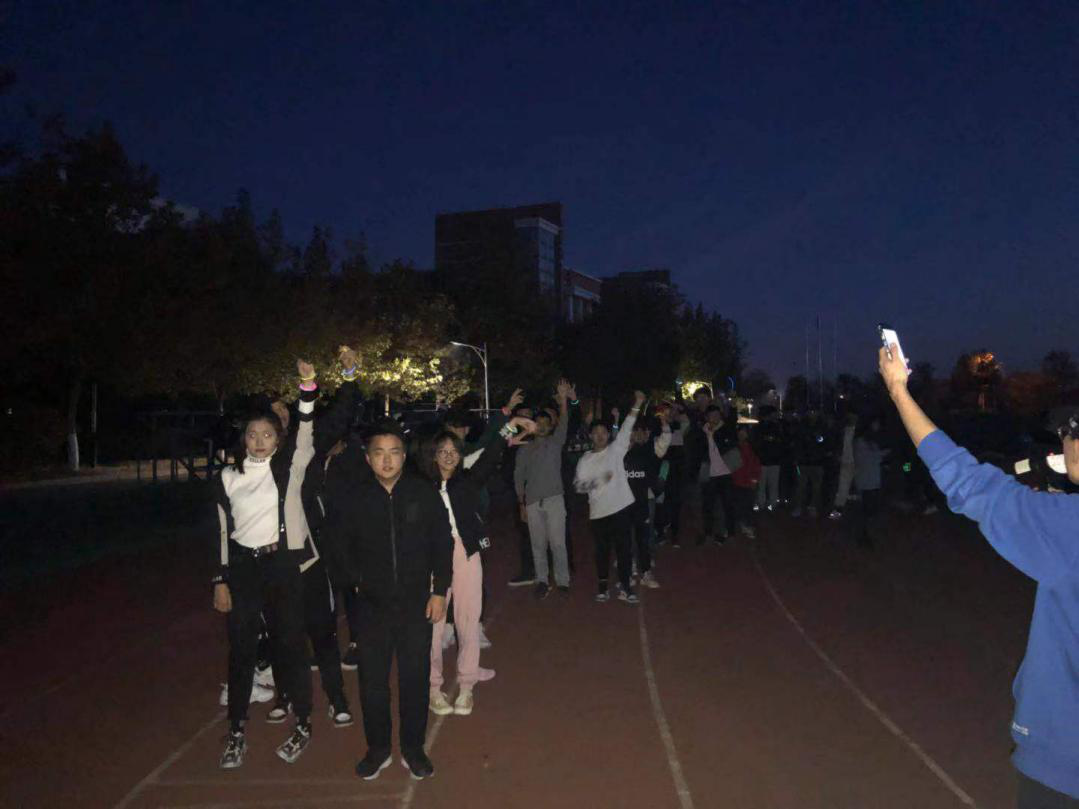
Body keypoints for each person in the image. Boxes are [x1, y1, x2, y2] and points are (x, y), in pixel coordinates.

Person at [880, 344, 1079, 808]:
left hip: (1065, 763)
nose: (1064, 440)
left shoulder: (1066, 527)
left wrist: (899, 391)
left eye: (1069, 432)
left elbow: (967, 481)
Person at [213, 359, 319, 769]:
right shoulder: (227, 476)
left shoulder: (288, 469)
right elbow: (222, 532)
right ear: (243, 438)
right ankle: (236, 730)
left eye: (268, 434)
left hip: (281, 566)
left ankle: (303, 722)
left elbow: (306, 428)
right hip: (243, 568)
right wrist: (220, 580)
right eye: (253, 434)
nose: (259, 441)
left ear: (278, 440)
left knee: (290, 644)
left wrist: (307, 387)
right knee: (240, 650)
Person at [333, 422, 453, 782]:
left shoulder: (422, 492)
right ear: (368, 459)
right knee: (372, 682)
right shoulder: (354, 498)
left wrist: (439, 591)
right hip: (371, 607)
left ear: (404, 456)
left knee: (415, 680)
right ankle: (379, 748)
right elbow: (338, 546)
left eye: (394, 452)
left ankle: (413, 749)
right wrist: (356, 582)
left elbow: (442, 542)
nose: (387, 460)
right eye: (379, 453)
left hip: (416, 604)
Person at [420, 413, 536, 718]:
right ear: (433, 455)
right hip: (432, 558)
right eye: (443, 451)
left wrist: (512, 423)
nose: (449, 456)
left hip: (466, 554)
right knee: (434, 625)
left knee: (468, 619)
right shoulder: (420, 487)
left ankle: (467, 684)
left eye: (454, 451)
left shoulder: (467, 482)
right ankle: (433, 688)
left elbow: (492, 453)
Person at [575, 390, 646, 604]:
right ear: (590, 436)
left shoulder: (616, 450)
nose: (600, 436)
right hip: (599, 513)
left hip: (621, 509)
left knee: (624, 551)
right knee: (602, 552)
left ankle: (626, 586)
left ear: (608, 434)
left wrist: (637, 403)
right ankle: (603, 587)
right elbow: (579, 487)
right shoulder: (585, 460)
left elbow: (626, 427)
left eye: (604, 432)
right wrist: (599, 481)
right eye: (596, 433)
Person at [514, 380, 576, 599]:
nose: (541, 426)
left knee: (558, 543)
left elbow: (565, 422)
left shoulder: (556, 442)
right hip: (532, 502)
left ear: (550, 427)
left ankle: (562, 580)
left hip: (554, 500)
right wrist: (521, 503)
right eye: (537, 423)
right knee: (537, 544)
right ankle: (542, 580)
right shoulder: (524, 448)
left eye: (545, 423)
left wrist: (563, 401)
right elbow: (519, 476)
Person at [623, 409, 672, 588]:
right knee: (626, 536)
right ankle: (628, 567)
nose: (638, 435)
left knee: (644, 535)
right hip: (623, 502)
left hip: (644, 499)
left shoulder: (652, 448)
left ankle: (645, 569)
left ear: (648, 433)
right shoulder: (622, 449)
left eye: (641, 431)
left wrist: (664, 422)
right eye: (634, 431)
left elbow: (665, 439)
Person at [692, 404, 739, 545]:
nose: (715, 418)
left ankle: (730, 533)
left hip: (725, 473)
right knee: (708, 505)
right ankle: (708, 533)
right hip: (709, 474)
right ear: (707, 417)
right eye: (712, 415)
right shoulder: (701, 432)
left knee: (728, 505)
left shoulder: (726, 429)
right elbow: (697, 451)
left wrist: (714, 434)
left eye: (717, 415)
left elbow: (730, 444)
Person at [849, 415, 888, 548]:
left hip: (872, 479)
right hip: (865, 480)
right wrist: (882, 454)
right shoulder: (860, 442)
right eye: (875, 425)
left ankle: (866, 535)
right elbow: (867, 459)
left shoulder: (871, 442)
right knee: (866, 509)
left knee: (870, 509)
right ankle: (863, 536)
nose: (877, 428)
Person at [793, 410, 830, 518]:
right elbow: (797, 443)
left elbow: (824, 442)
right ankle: (798, 507)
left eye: (815, 412)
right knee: (801, 486)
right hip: (803, 462)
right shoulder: (801, 426)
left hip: (818, 462)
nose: (812, 414)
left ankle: (813, 506)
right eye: (810, 412)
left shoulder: (822, 426)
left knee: (816, 487)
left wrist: (819, 439)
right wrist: (797, 457)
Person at [731, 426, 762, 539]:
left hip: (748, 482)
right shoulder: (734, 447)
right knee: (737, 505)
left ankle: (747, 526)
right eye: (740, 433)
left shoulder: (752, 447)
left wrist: (754, 480)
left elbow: (756, 465)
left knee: (748, 506)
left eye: (744, 433)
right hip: (736, 481)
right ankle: (738, 526)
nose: (742, 435)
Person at [753, 406, 785, 512]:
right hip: (767, 460)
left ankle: (766, 504)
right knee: (769, 485)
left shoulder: (774, 426)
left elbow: (780, 442)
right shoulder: (763, 427)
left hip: (769, 460)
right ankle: (769, 504)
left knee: (766, 485)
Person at [828, 411, 859, 520]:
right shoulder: (842, 431)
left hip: (858, 462)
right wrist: (837, 455)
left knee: (859, 486)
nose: (852, 418)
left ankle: (859, 512)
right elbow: (837, 444)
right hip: (845, 462)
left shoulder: (860, 432)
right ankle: (839, 509)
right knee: (843, 487)